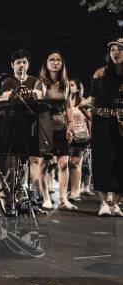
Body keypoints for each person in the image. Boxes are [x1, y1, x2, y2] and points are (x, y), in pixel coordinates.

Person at [33, 50, 76, 210]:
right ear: (47, 63)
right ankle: (45, 198)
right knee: (43, 164)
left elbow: (68, 107)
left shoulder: (66, 84)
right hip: (45, 129)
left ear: (62, 63)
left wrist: (70, 126)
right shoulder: (41, 83)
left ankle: (64, 199)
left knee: (64, 163)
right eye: (52, 59)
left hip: (62, 128)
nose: (55, 62)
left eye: (58, 60)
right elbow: (36, 106)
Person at [90, 37, 123, 217]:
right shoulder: (100, 73)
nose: (116, 53)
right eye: (113, 50)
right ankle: (103, 202)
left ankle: (116, 203)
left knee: (121, 160)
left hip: (122, 122)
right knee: (102, 160)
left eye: (120, 49)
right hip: (102, 121)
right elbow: (93, 101)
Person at [68, 79, 91, 201]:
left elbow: (89, 120)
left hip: (81, 136)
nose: (69, 86)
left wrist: (91, 138)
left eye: (72, 85)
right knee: (65, 164)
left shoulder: (82, 102)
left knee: (75, 163)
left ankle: (74, 192)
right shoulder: (64, 101)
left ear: (77, 89)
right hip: (67, 136)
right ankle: (68, 189)